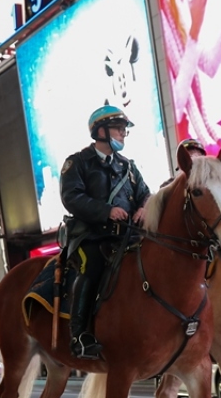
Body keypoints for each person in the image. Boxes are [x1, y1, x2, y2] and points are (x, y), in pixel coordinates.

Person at [59, 105, 152, 360]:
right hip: (91, 236)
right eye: (118, 129)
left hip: (127, 237)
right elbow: (71, 197)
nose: (123, 134)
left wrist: (144, 207)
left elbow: (145, 193)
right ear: (100, 131)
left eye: (124, 130)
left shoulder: (129, 167)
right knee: (92, 268)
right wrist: (106, 211)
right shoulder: (78, 163)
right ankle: (79, 335)